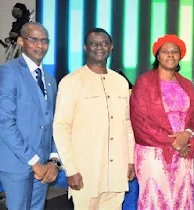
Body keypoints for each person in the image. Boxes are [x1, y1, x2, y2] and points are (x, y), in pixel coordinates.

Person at [53, 28, 135, 210]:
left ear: (111, 47)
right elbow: (61, 127)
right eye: (94, 43)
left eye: (104, 43)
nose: (100, 47)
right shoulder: (71, 82)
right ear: (85, 47)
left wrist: (130, 160)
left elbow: (127, 124)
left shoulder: (121, 82)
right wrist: (71, 169)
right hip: (86, 172)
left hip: (116, 172)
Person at [0, 22, 59, 210]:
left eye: (45, 41)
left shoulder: (49, 79)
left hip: (43, 163)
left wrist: (53, 160)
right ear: (21, 41)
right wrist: (34, 162)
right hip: (15, 161)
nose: (40, 45)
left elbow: (53, 122)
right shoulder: (7, 73)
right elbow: (4, 124)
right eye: (34, 39)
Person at [130, 34, 194, 209]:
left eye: (174, 51)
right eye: (165, 51)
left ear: (180, 56)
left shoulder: (187, 84)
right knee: (155, 199)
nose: (170, 55)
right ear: (157, 56)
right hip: (153, 152)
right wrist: (176, 141)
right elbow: (140, 121)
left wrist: (187, 134)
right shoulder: (144, 82)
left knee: (181, 198)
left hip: (183, 152)